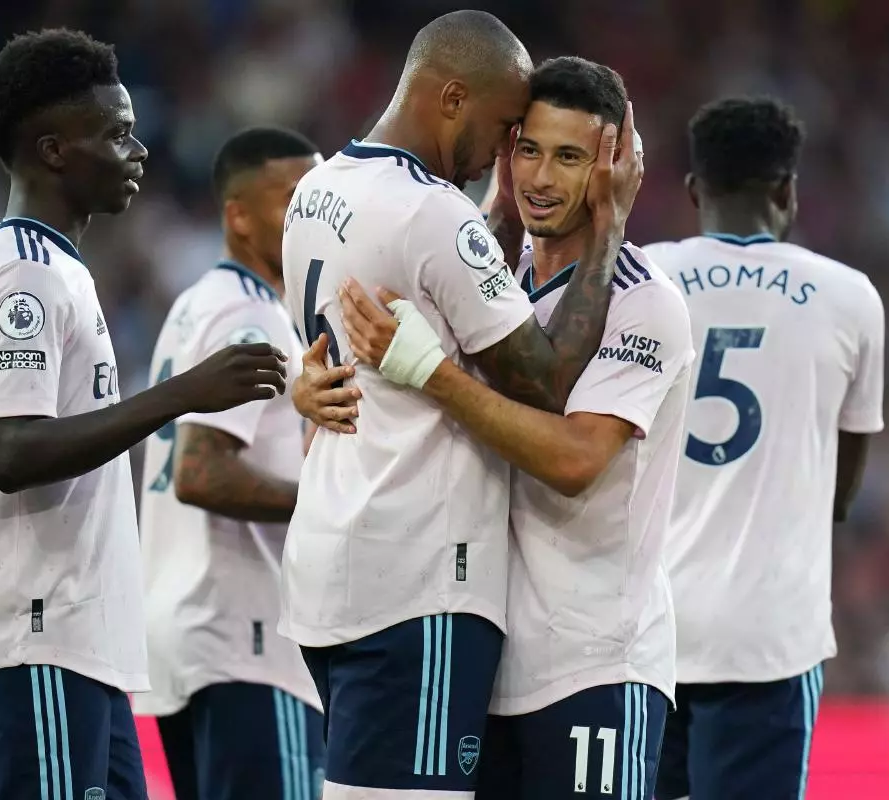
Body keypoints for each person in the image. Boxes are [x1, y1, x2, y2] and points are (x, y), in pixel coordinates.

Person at [0, 29, 287, 800]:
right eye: (114, 133)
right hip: (38, 638)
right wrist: (181, 394)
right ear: (53, 151)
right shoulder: (24, 275)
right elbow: (8, 454)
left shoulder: (42, 269)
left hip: (68, 638)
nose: (137, 149)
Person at [279, 10, 642, 799]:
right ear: (452, 98)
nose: (507, 156)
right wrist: (609, 228)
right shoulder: (431, 211)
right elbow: (544, 382)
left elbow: (321, 365)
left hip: (328, 565)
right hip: (418, 583)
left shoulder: (315, 189)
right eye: (508, 127)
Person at [637, 97, 885, 800]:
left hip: (646, 626)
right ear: (788, 190)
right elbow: (840, 491)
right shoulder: (851, 296)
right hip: (769, 635)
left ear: (693, 191)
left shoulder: (640, 277)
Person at [135, 127, 327, 800]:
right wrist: (329, 503)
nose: (308, 219)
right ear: (238, 214)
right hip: (242, 636)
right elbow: (201, 471)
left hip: (192, 633)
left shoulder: (197, 304)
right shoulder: (250, 316)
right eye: (293, 200)